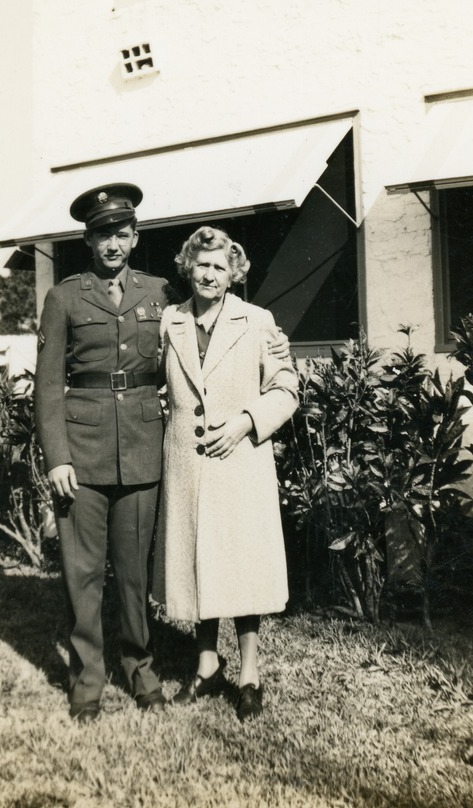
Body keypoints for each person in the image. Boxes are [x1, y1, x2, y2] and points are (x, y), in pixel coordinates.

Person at [35, 184, 289, 723]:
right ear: (87, 238)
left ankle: (140, 668)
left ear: (134, 238)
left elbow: (241, 358)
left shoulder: (158, 297)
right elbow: (48, 384)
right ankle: (87, 680)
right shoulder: (65, 297)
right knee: (82, 572)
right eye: (102, 233)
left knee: (132, 573)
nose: (113, 243)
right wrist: (56, 456)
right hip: (83, 450)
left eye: (122, 233)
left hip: (145, 451)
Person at [153, 226, 298, 721]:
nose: (209, 274)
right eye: (201, 264)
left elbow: (285, 389)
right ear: (187, 268)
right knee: (199, 562)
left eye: (219, 266)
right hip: (188, 465)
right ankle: (207, 664)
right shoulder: (170, 322)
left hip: (239, 461)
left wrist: (245, 423)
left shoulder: (257, 323)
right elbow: (158, 380)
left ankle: (251, 674)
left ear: (233, 272)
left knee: (241, 567)